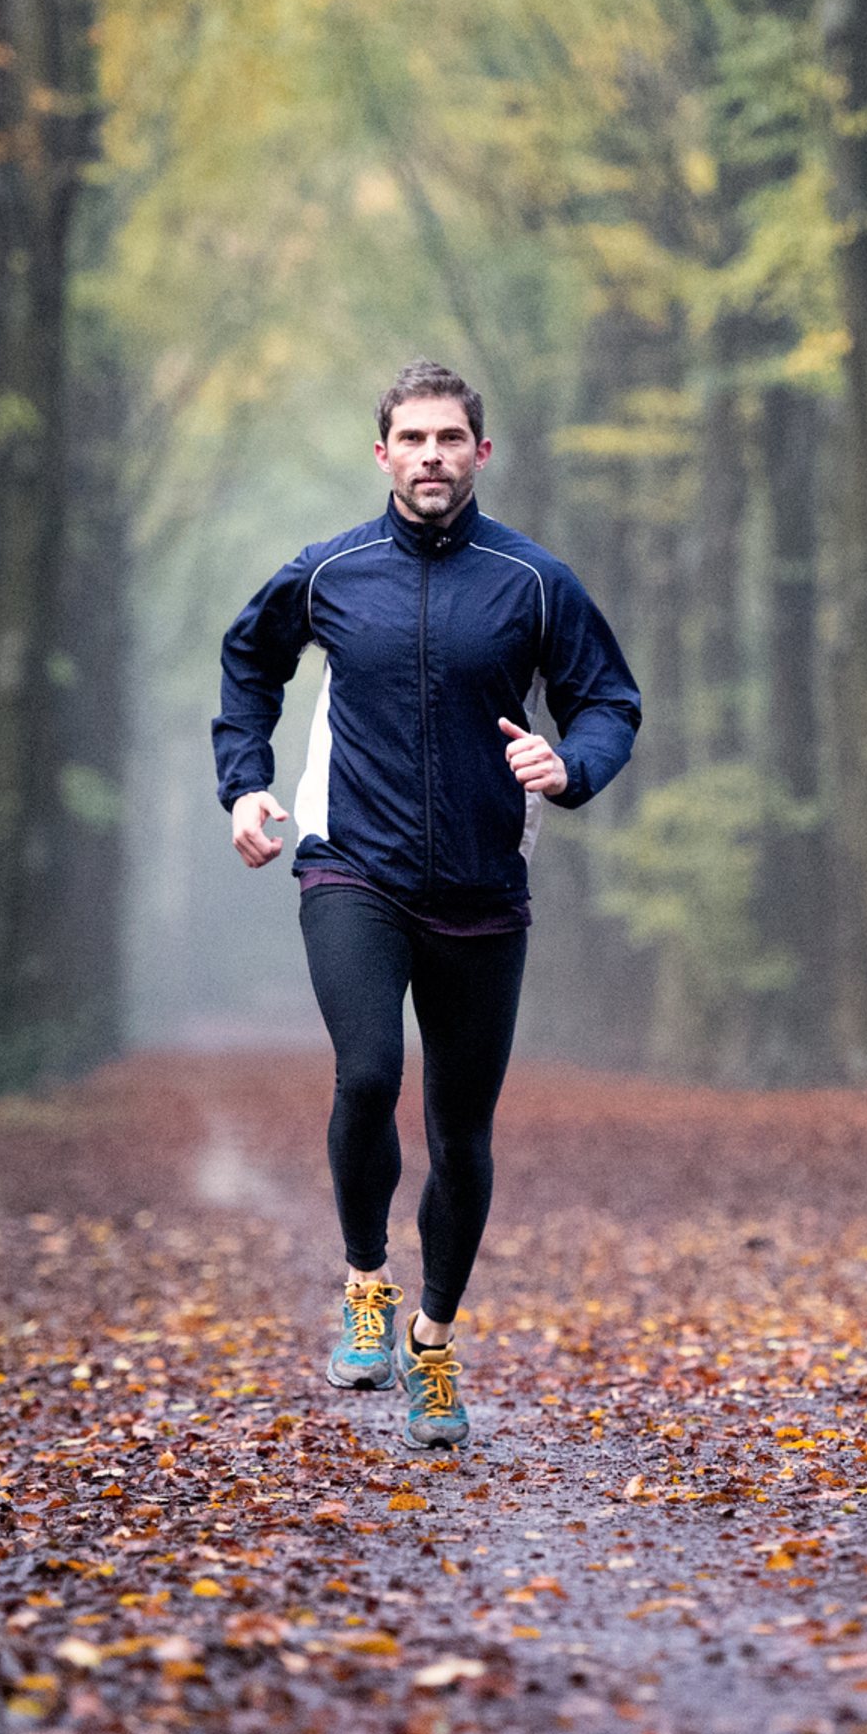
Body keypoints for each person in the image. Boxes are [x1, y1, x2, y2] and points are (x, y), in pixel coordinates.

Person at [213, 360, 641, 1447]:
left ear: (480, 453)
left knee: (460, 1132)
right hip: (350, 865)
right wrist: (245, 784)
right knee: (366, 1073)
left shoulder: (533, 582)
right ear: (383, 455)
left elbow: (607, 698)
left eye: (450, 438)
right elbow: (248, 660)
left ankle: (432, 1345)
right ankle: (366, 1282)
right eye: (412, 439)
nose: (432, 456)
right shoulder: (329, 574)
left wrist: (571, 764)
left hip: (482, 888)